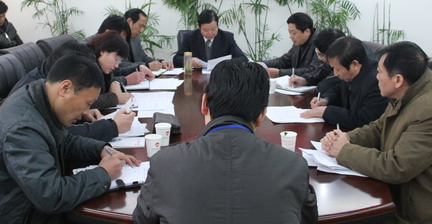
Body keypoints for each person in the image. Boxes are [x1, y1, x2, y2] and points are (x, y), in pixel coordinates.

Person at [0, 54, 140, 223]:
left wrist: (101, 149)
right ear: (65, 88)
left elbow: (65, 140)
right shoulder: (22, 128)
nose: (86, 111)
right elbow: (51, 196)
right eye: (87, 103)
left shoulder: (40, 98)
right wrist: (103, 174)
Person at [133, 59, 318, 223]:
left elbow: (142, 219)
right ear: (262, 115)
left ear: (204, 104)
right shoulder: (293, 166)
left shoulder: (165, 164)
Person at [321, 41, 432, 223]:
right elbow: (380, 127)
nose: (376, 77)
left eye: (379, 72)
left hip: (427, 212)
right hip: (403, 193)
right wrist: (346, 138)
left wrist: (344, 151)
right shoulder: (411, 87)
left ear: (398, 80)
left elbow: (396, 167)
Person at [11, 40, 135, 140]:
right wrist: (111, 127)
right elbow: (61, 136)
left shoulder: (47, 85)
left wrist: (80, 111)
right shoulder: (27, 112)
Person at [300, 36, 387, 129]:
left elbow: (363, 119)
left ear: (354, 65)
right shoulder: (350, 73)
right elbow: (338, 89)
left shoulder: (377, 82)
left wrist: (326, 112)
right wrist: (326, 100)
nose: (335, 73)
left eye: (337, 69)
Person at [173, 10, 247, 68]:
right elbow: (176, 59)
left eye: (213, 29)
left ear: (217, 25)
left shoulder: (227, 37)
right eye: (205, 30)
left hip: (220, 77)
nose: (210, 33)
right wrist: (189, 61)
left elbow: (242, 58)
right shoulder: (190, 37)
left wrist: (227, 64)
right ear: (199, 28)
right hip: (197, 77)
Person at [263, 12, 323, 81]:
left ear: (307, 31)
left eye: (294, 33)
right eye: (290, 32)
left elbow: (314, 70)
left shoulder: (320, 43)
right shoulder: (298, 42)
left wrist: (279, 73)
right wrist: (262, 64)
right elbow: (284, 61)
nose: (291, 36)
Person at [88, 32, 133, 107]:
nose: (116, 65)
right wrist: (116, 98)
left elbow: (111, 79)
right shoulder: (85, 66)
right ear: (103, 51)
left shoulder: (101, 65)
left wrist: (115, 82)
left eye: (119, 61)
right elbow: (85, 101)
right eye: (116, 59)